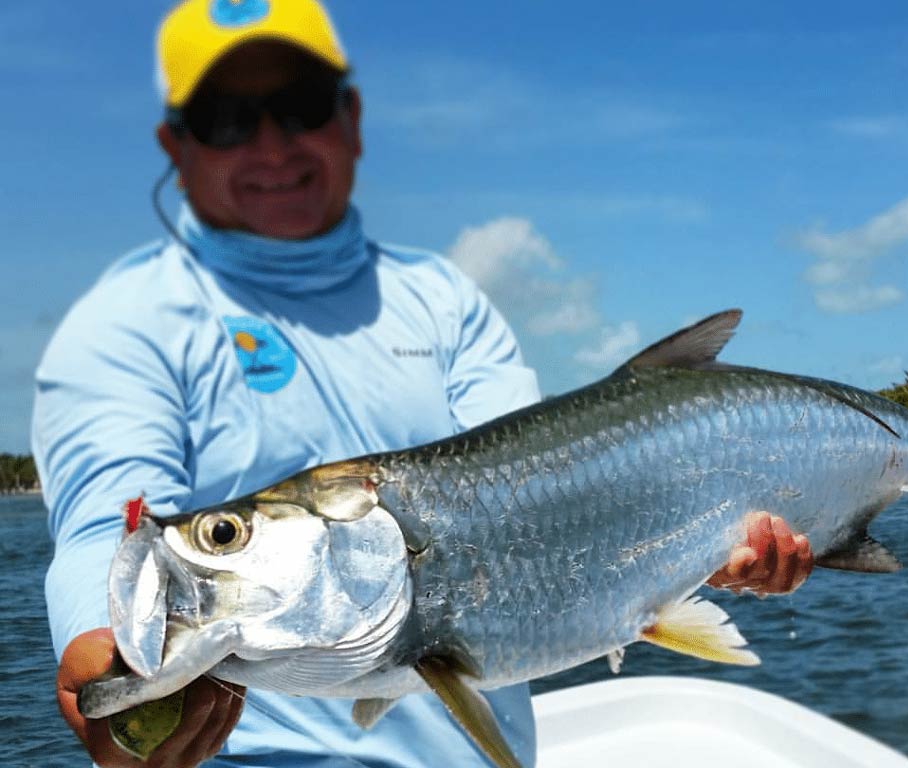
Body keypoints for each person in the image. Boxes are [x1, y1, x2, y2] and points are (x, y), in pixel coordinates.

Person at [34, 1, 813, 766]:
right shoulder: (124, 322)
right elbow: (112, 514)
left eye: (299, 106)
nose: (270, 144)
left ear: (352, 118)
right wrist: (95, 635)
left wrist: (698, 541)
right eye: (226, 119)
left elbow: (554, 492)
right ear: (176, 144)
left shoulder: (443, 299)